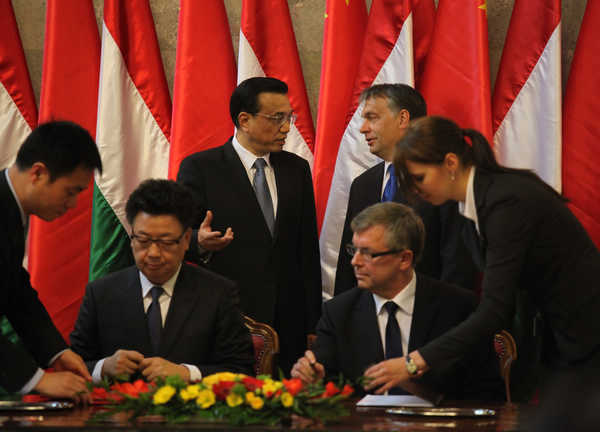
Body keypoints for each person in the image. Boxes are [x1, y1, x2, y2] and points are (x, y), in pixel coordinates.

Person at [364, 115, 600, 394]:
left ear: (450, 163)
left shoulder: (505, 203)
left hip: (586, 335)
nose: (415, 190)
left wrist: (415, 362)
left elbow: (495, 308)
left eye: (419, 178)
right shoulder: (473, 205)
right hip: (561, 339)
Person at [176, 77, 321, 374]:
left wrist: (313, 322)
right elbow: (176, 239)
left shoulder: (297, 169)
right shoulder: (201, 168)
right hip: (227, 317)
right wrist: (198, 243)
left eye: (289, 117)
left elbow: (307, 250)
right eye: (277, 118)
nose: (287, 127)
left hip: (288, 323)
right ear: (244, 119)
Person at [292, 203, 500, 399]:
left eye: (367, 253)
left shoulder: (457, 307)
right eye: (353, 250)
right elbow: (328, 379)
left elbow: (486, 391)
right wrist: (313, 378)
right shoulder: (339, 312)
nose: (355, 262)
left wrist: (416, 383)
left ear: (404, 259)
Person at [70, 179, 254, 382]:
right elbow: (73, 366)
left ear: (185, 240)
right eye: (143, 240)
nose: (154, 253)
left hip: (192, 411)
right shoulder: (101, 293)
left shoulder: (218, 293)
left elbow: (242, 371)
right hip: (118, 411)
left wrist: (188, 373)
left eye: (166, 242)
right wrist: (103, 367)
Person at [335, 84, 477, 296]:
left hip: (429, 316)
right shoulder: (362, 184)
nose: (363, 128)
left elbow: (458, 262)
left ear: (402, 119)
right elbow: (349, 264)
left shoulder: (443, 178)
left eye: (372, 117)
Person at [0, 121, 101, 401]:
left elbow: (16, 294)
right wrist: (37, 380)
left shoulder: (10, 208)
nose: (72, 205)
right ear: (39, 173)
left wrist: (56, 352)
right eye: (71, 192)